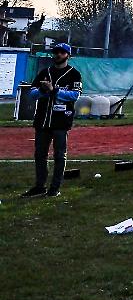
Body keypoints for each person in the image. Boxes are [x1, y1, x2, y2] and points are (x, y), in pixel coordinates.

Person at [23, 43, 82, 198]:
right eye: (56, 52)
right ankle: (40, 186)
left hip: (61, 120)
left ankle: (54, 188)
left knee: (59, 154)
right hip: (43, 119)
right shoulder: (45, 72)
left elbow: (75, 95)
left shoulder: (74, 74)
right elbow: (31, 93)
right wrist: (43, 90)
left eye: (62, 52)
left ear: (68, 55)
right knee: (40, 154)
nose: (58, 55)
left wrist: (54, 90)